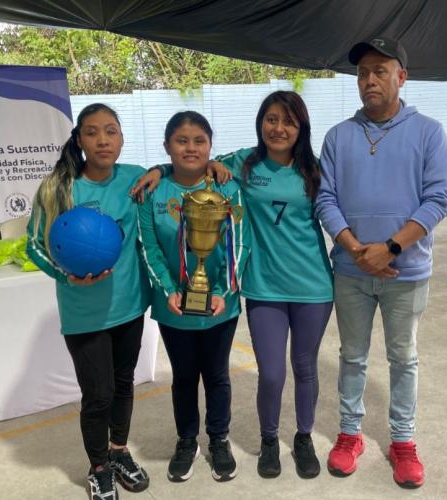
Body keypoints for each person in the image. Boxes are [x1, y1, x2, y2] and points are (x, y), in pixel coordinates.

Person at [132, 91, 334, 480]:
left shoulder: (316, 169)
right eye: (271, 119)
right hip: (262, 287)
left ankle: (304, 437)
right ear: (261, 123)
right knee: (272, 373)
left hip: (313, 286)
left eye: (288, 121)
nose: (279, 128)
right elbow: (191, 162)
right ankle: (270, 441)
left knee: (305, 369)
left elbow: (339, 210)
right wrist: (158, 169)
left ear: (301, 127)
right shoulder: (241, 163)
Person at [315, 38, 447, 488]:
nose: (369, 80)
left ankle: (403, 443)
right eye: (362, 73)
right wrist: (357, 249)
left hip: (406, 273)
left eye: (379, 70)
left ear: (401, 77)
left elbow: (440, 197)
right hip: (351, 273)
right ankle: (350, 434)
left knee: (403, 358)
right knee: (352, 357)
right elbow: (325, 197)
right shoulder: (338, 136)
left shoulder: (428, 132)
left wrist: (390, 248)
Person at [27, 103, 151, 500]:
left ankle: (119, 452)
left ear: (121, 137)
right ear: (79, 140)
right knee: (97, 394)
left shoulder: (134, 178)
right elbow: (34, 245)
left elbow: (169, 181)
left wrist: (162, 170)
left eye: (111, 131)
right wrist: (67, 274)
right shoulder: (57, 188)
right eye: (93, 132)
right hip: (84, 312)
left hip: (129, 305)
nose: (103, 140)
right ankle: (98, 467)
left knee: (123, 383)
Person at [137, 111, 249, 483]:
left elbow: (239, 245)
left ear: (210, 146)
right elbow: (148, 245)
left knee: (217, 375)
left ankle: (219, 438)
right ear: (167, 146)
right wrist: (168, 290)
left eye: (199, 140)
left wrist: (221, 291)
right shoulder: (152, 191)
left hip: (220, 304)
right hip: (173, 307)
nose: (190, 147)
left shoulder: (227, 188)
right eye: (181, 140)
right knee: (184, 376)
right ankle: (187, 440)